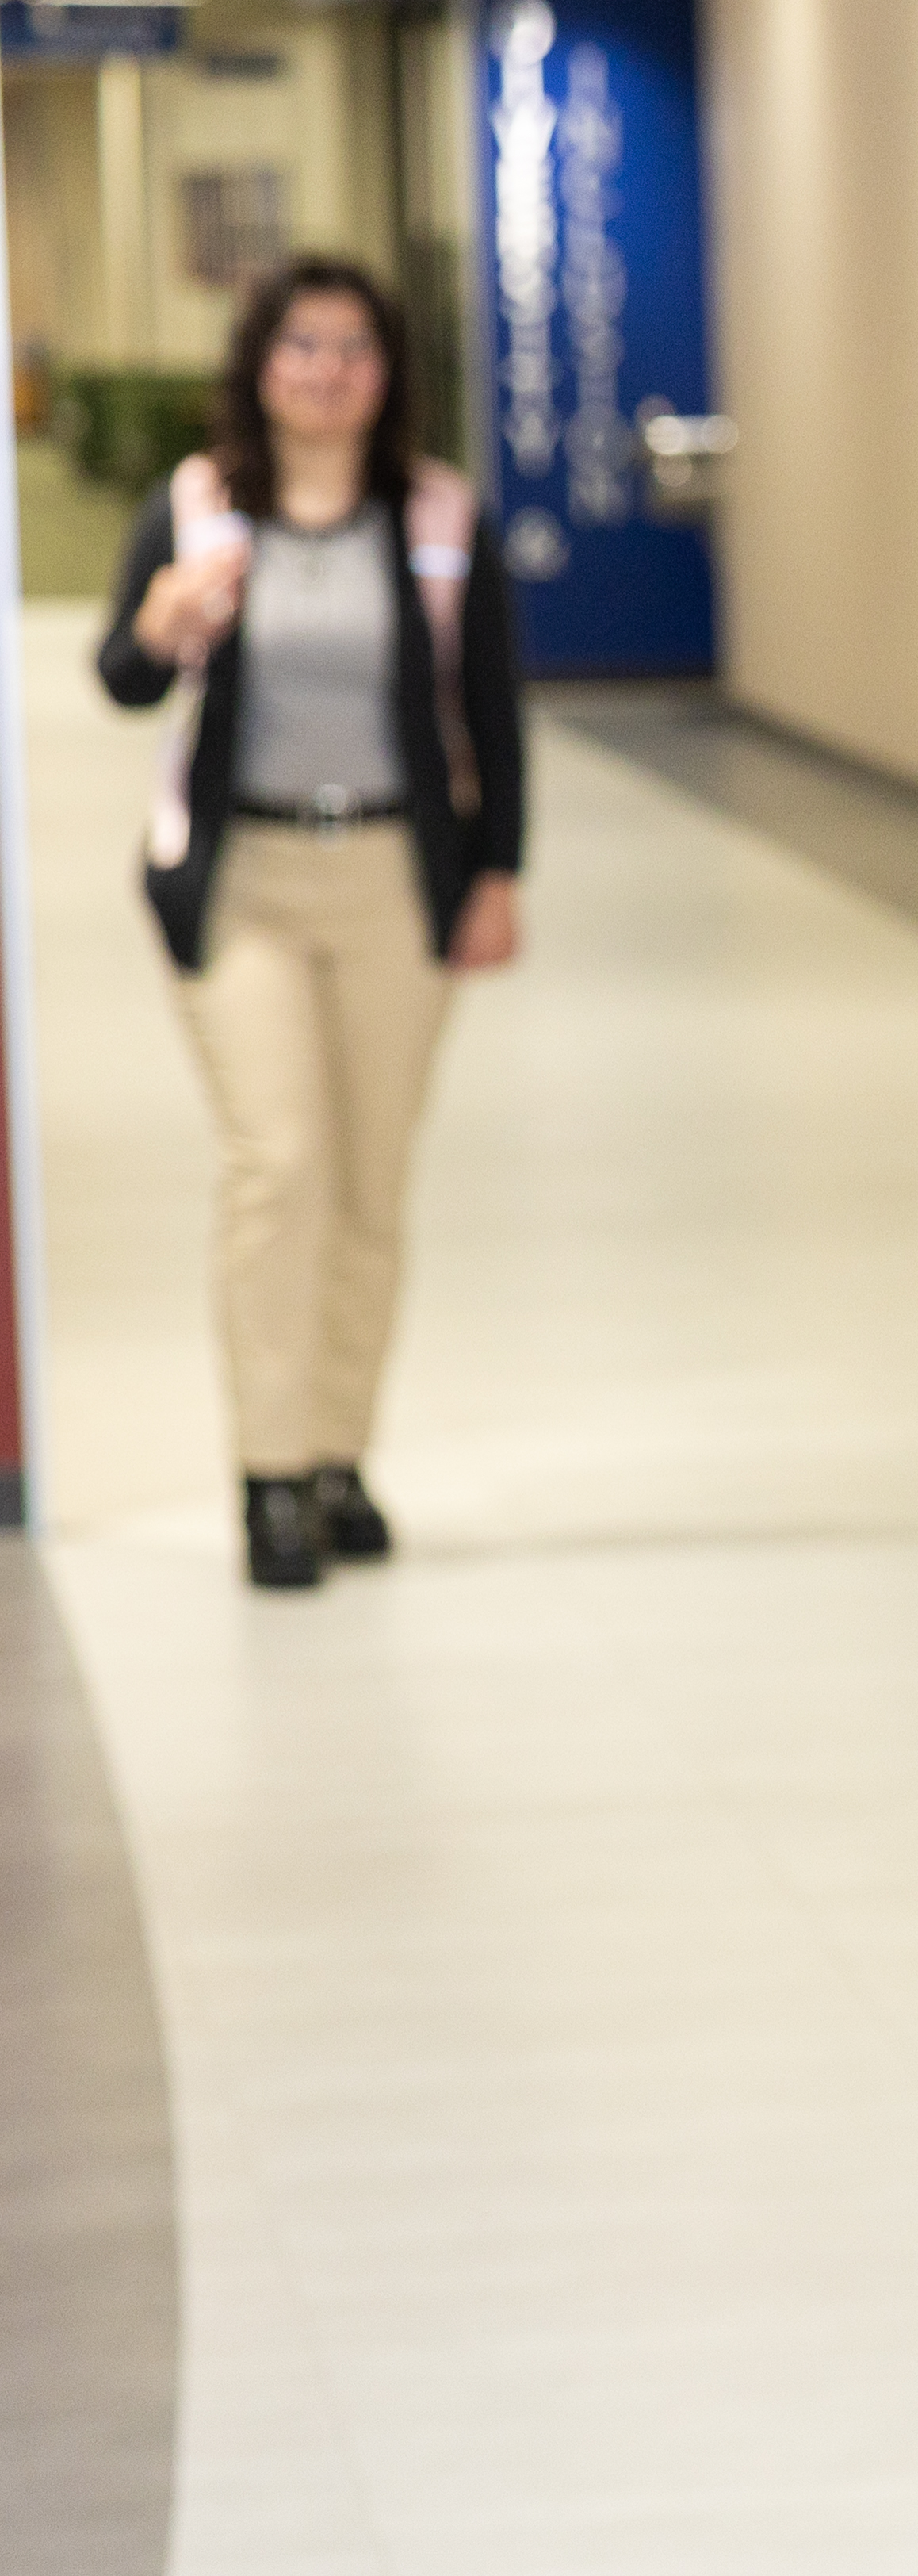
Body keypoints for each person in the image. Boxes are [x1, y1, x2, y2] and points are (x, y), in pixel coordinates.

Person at [98, 257, 525, 1592]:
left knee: (369, 1182)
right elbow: (120, 673)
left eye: (354, 347)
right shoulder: (198, 505)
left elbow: (493, 708)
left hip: (398, 875)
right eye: (301, 346)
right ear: (258, 364)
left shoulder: (441, 513)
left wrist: (498, 870)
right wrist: (163, 623)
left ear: (387, 372)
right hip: (248, 880)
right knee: (279, 1162)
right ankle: (270, 1473)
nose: (328, 371)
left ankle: (341, 1455)